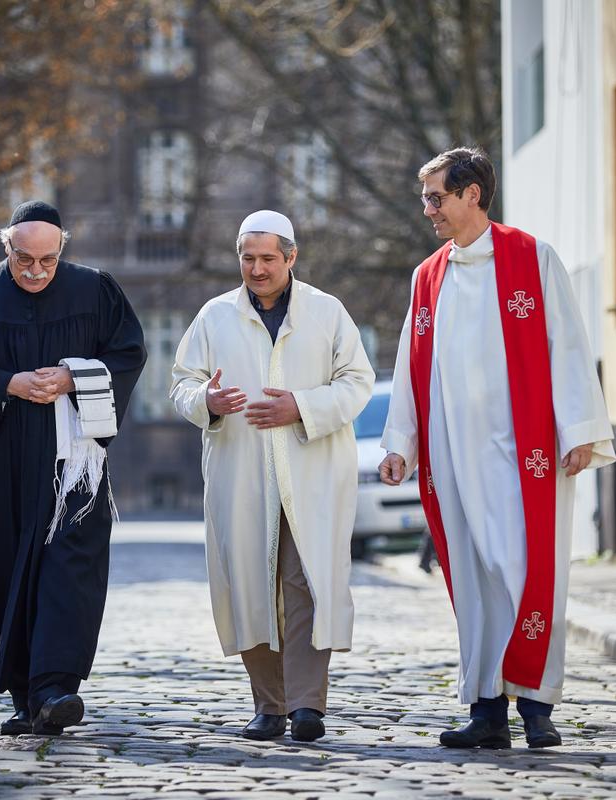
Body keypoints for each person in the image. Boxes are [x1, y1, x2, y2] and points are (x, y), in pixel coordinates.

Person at [380, 147, 615, 749]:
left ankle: (537, 706)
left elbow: (567, 342)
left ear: (472, 196)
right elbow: (410, 365)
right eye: (426, 198)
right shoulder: (427, 275)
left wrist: (580, 430)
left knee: (526, 571)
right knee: (474, 577)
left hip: (523, 453)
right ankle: (487, 711)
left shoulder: (532, 257)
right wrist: (401, 443)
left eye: (436, 197)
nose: (428, 210)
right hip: (454, 453)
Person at [0, 200, 146, 736]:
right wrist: (10, 383)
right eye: (23, 259)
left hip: (73, 462)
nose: (35, 272)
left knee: (71, 567)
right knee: (7, 568)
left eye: (47, 261)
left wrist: (72, 380)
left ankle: (56, 687)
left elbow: (128, 354)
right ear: (6, 247)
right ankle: (27, 697)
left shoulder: (95, 290)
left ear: (62, 250)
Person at [170, 210, 374, 743]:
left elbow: (358, 382)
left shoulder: (327, 312)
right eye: (248, 258)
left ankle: (308, 705)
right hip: (241, 472)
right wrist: (207, 401)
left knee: (305, 582)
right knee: (250, 584)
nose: (257, 269)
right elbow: (181, 384)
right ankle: (268, 705)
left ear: (291, 257)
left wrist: (301, 407)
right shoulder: (214, 316)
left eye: (267, 258)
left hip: (313, 470)